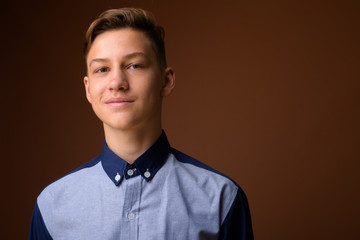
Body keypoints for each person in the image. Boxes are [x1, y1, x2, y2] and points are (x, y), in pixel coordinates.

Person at [29, 8, 254, 240]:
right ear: (88, 89)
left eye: (134, 65)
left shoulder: (220, 199)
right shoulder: (51, 206)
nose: (116, 82)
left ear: (166, 81)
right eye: (102, 69)